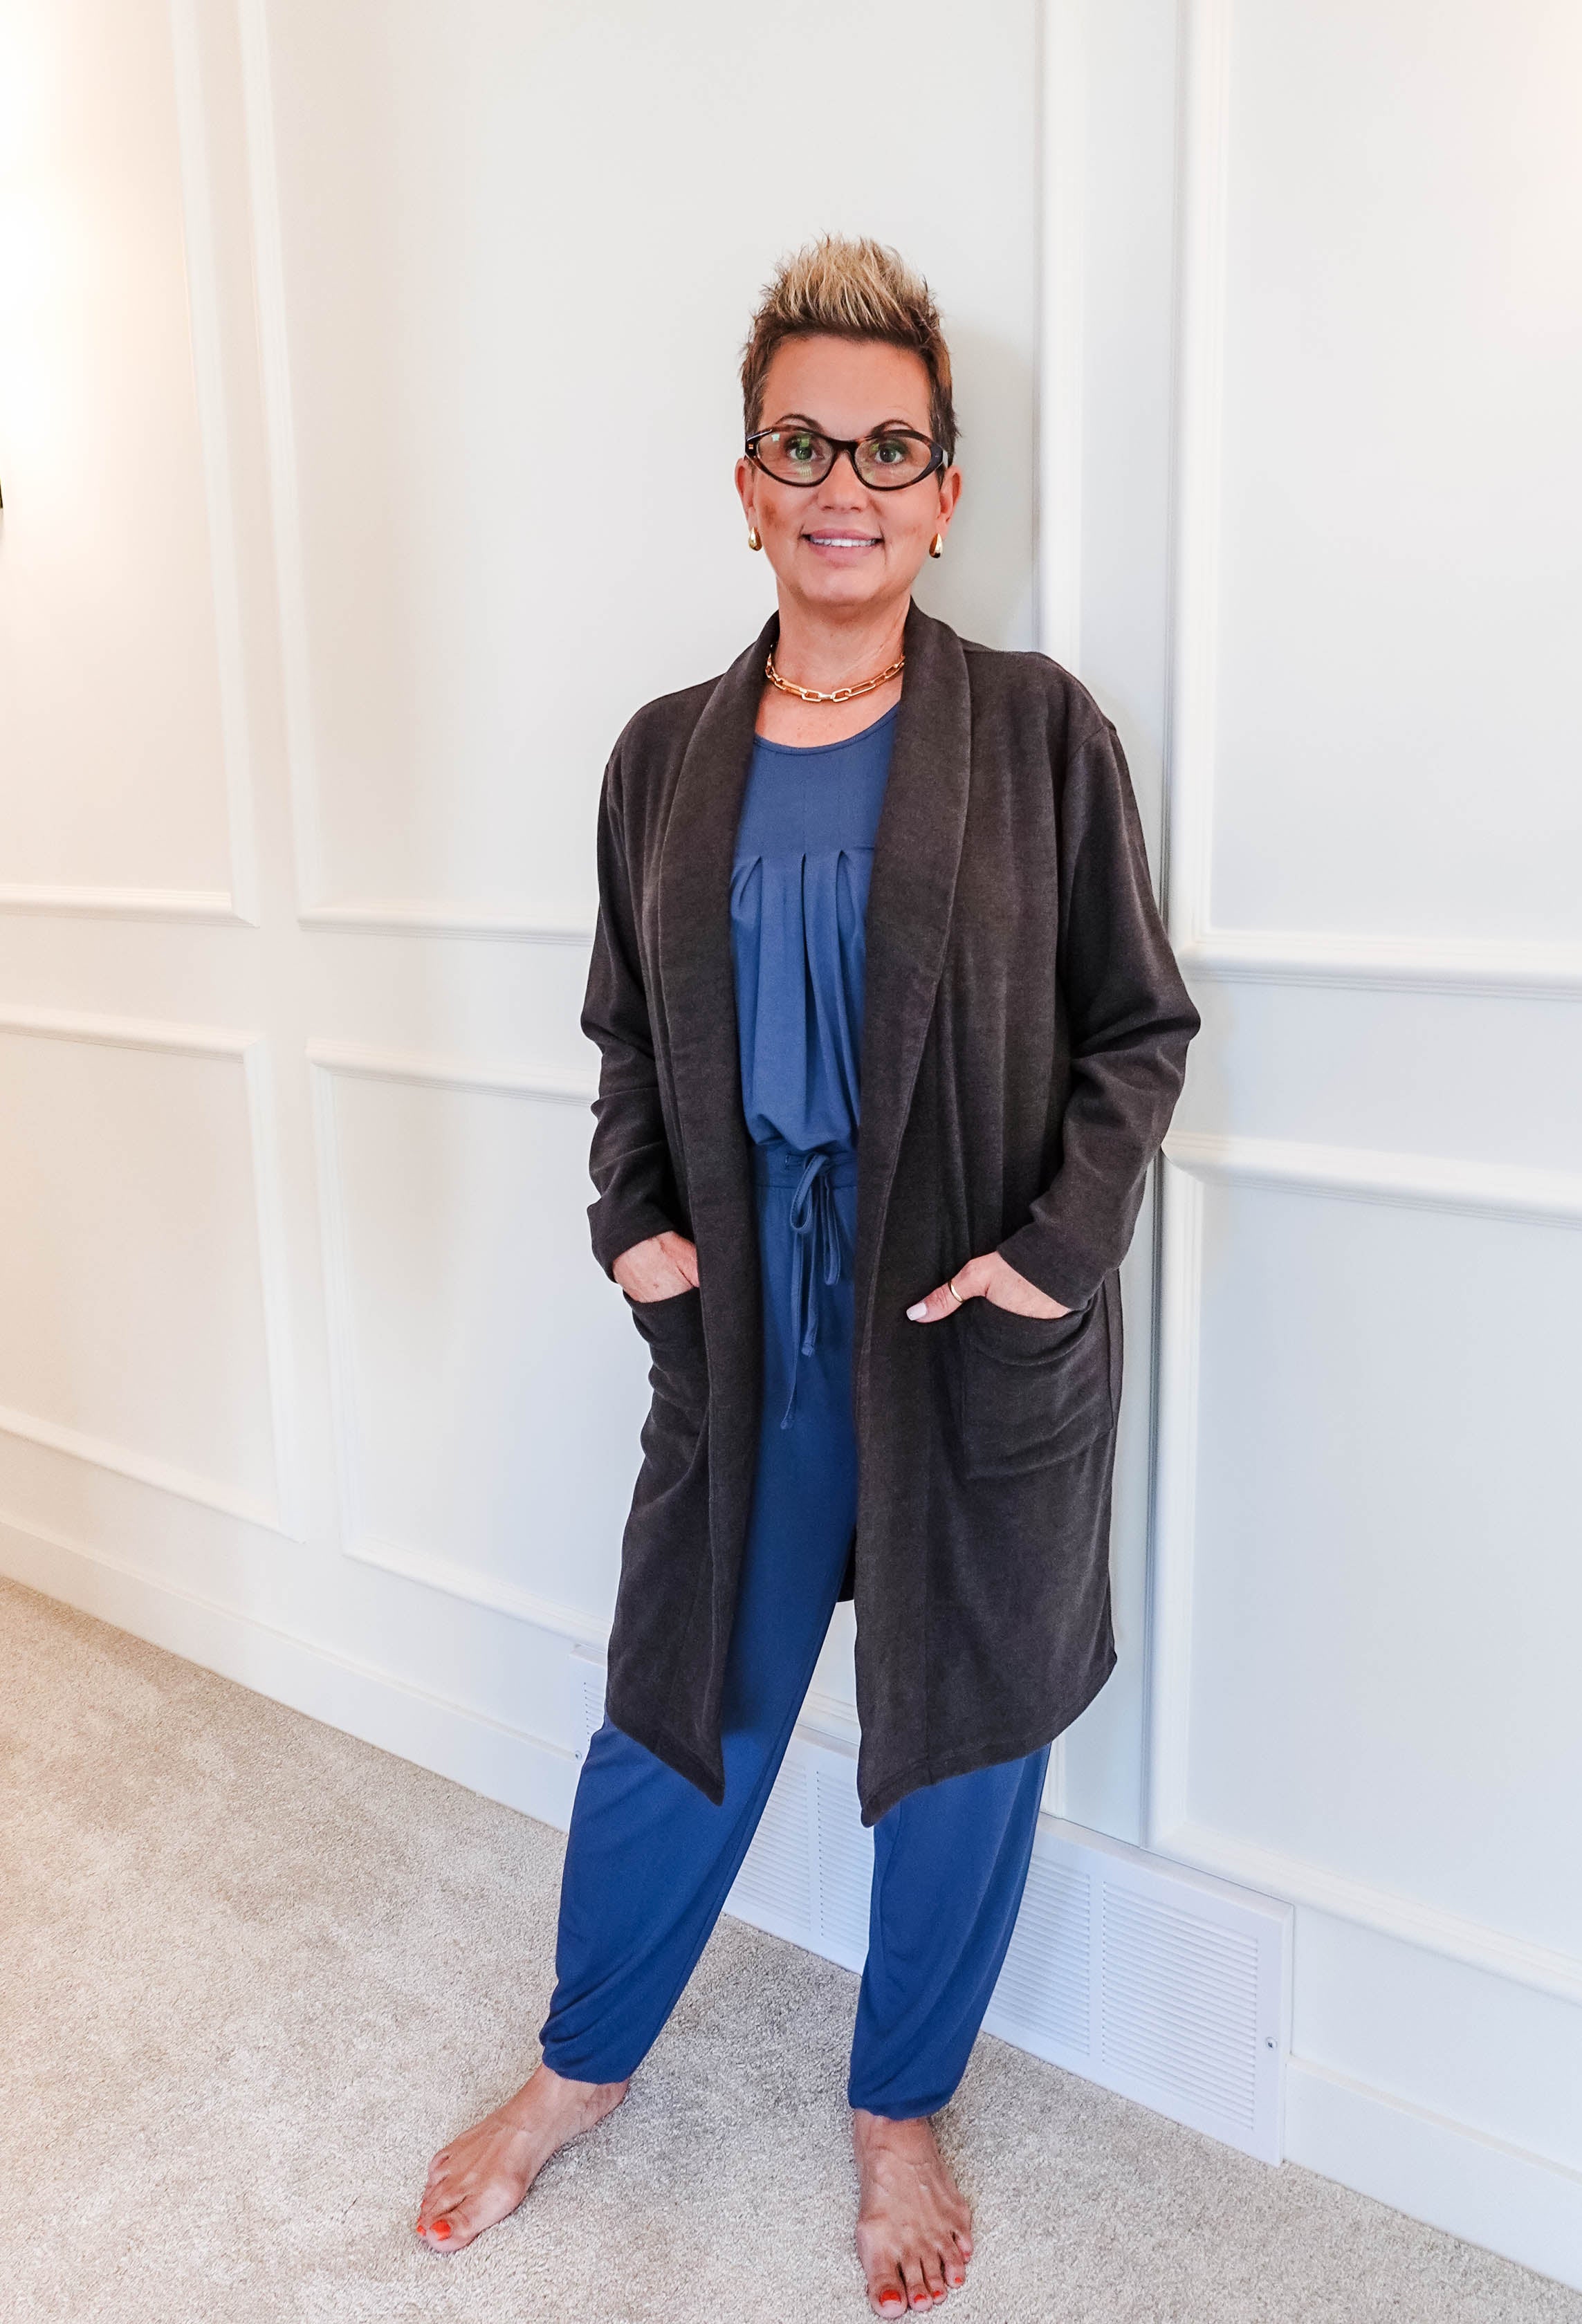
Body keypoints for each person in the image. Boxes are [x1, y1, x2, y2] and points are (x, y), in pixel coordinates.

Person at [414, 234, 1199, 2314]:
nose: (843, 482)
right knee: (685, 1710)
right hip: (745, 1317)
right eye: (802, 442)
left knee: (965, 1729)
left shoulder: (1039, 737)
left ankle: (897, 2111)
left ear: (945, 494)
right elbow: (620, 1042)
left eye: (890, 447)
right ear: (745, 481)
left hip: (970, 1318)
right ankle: (579, 2071)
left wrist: (1051, 1261)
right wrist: (634, 1221)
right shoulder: (662, 757)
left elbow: (1139, 1035)